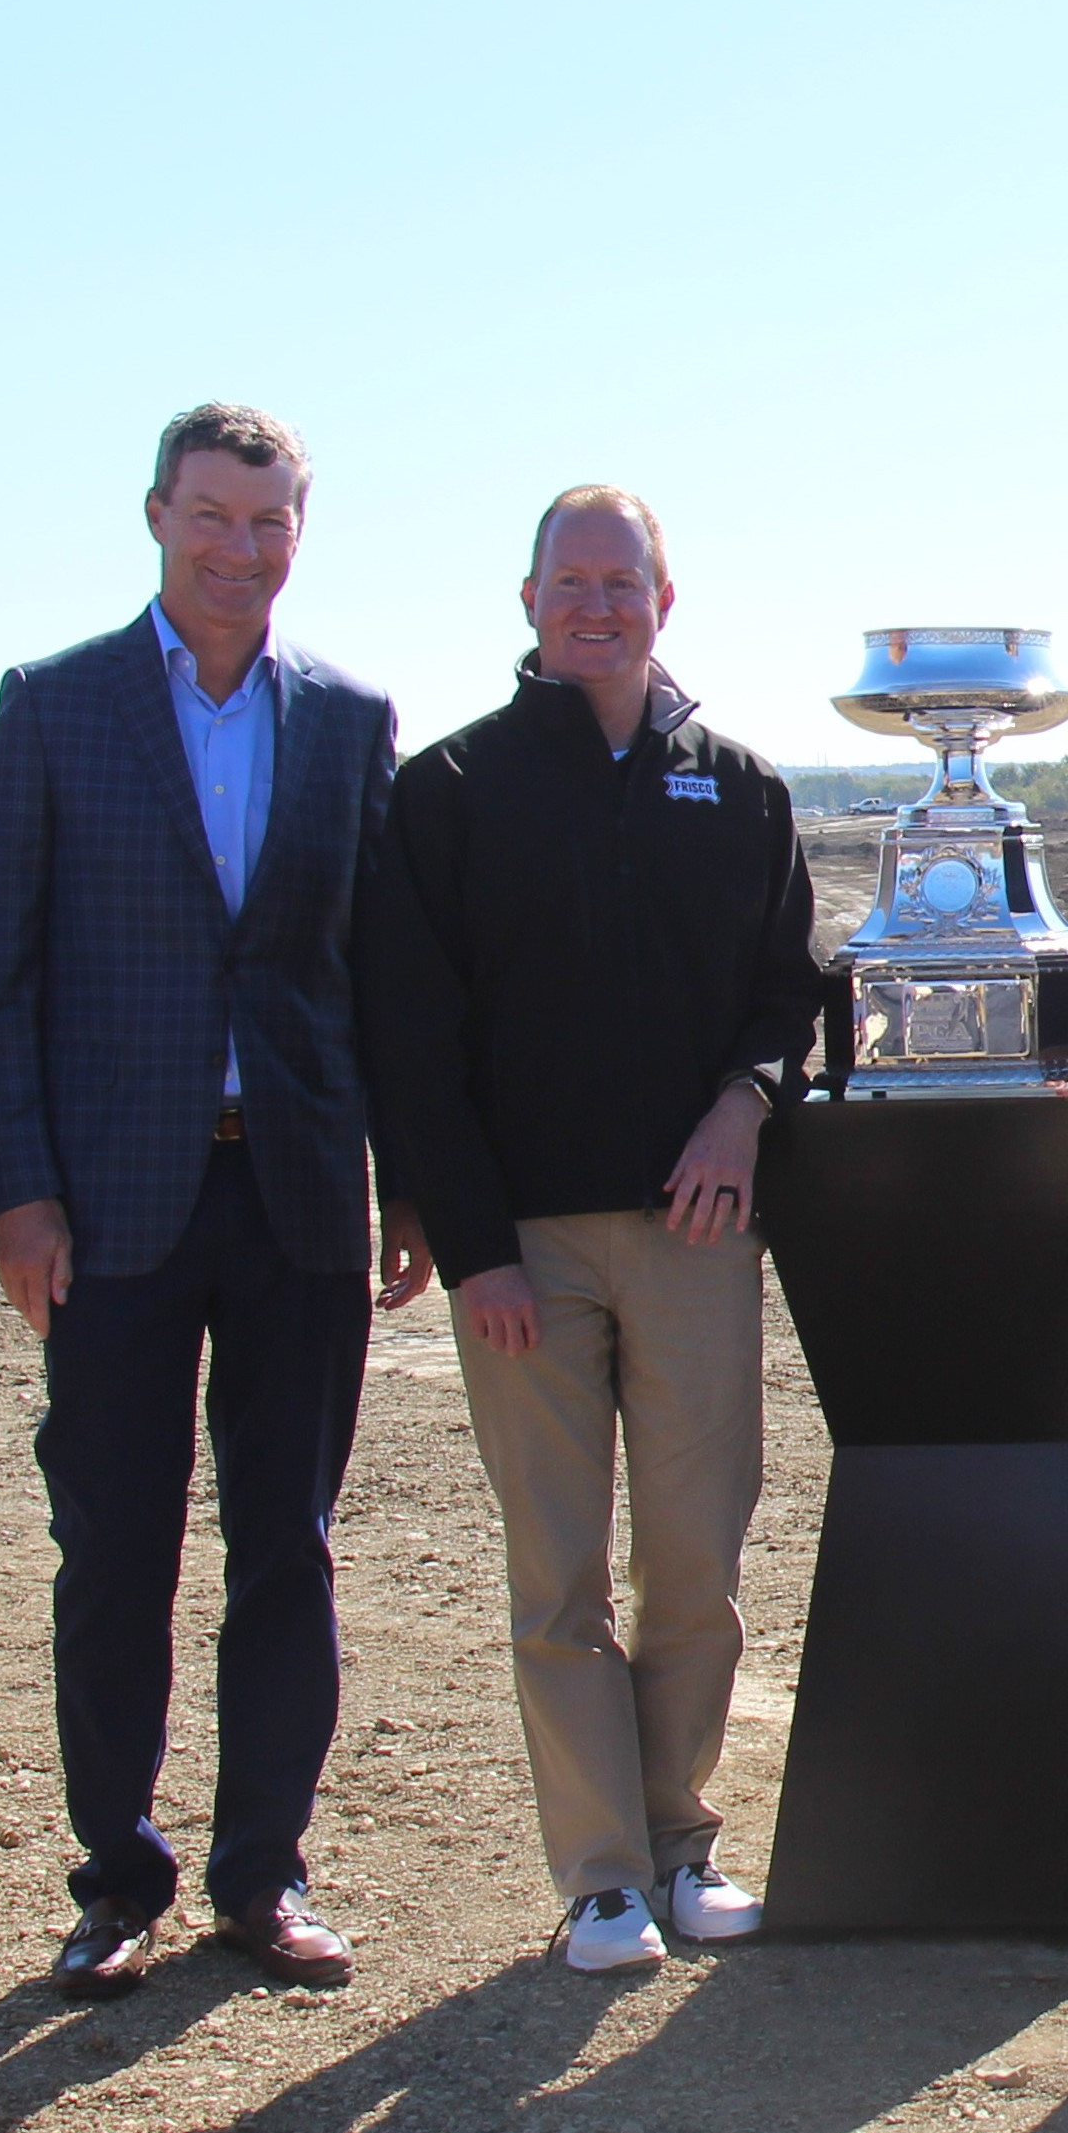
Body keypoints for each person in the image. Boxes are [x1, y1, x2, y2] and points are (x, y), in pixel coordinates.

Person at [0, 402, 432, 1999]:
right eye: (211, 517)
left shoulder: (348, 719)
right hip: (113, 1210)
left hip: (294, 1198)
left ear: (303, 533)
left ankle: (262, 1874)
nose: (238, 549)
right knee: (116, 1551)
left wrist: (410, 1187)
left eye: (268, 522)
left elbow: (379, 979)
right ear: (156, 516)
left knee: (285, 1548)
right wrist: (15, 1191)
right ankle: (117, 1878)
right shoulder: (58, 705)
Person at [364, 486, 822, 1972]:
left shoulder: (740, 788)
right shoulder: (447, 790)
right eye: (572, 583)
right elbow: (412, 1034)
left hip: (695, 1234)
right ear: (528, 602)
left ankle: (683, 1838)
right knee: (554, 1571)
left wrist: (743, 1107)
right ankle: (602, 1874)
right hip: (527, 1257)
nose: (598, 606)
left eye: (622, 582)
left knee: (695, 1559)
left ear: (664, 599)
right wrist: (474, 1239)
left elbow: (786, 997)